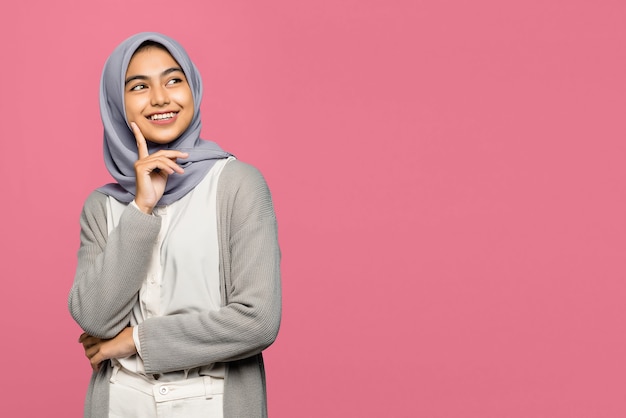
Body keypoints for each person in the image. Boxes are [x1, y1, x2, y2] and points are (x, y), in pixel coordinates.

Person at [68, 32, 281, 418]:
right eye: (139, 86)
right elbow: (94, 317)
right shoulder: (103, 206)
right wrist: (142, 208)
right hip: (121, 403)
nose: (161, 98)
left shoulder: (237, 185)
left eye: (173, 80)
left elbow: (257, 321)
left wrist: (136, 340)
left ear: (192, 89)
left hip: (214, 404)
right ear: (117, 103)